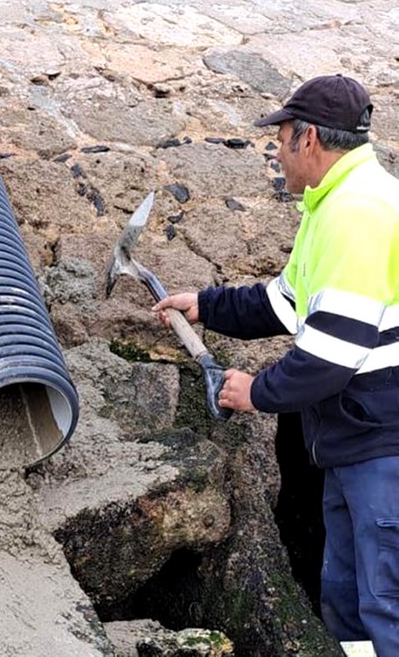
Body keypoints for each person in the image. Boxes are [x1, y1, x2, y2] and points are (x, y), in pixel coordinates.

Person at [153, 74, 399, 655]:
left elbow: (331, 354)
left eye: (280, 139)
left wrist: (256, 391)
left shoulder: (358, 213)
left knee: (387, 603)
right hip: (351, 440)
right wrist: (206, 305)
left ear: (307, 138)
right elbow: (284, 302)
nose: (277, 154)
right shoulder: (335, 202)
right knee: (346, 598)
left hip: (383, 445)